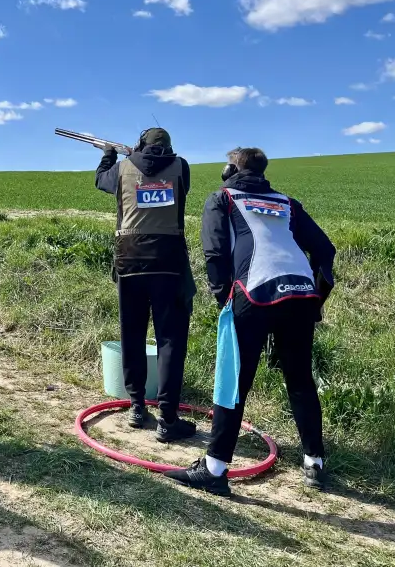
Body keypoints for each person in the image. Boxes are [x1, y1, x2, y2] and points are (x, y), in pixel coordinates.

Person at [167, 147, 336, 496]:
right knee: (300, 380)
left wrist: (223, 298)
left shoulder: (223, 198)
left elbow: (214, 252)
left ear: (229, 170)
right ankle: (315, 462)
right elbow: (325, 250)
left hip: (253, 292)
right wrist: (316, 296)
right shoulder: (287, 203)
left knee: (233, 381)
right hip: (301, 295)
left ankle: (214, 470)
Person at [95, 128, 198, 443]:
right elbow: (170, 179)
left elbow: (101, 180)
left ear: (140, 144)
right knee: (170, 340)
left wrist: (109, 155)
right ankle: (168, 418)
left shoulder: (122, 168)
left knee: (132, 334)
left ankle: (137, 406)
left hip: (130, 259)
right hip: (169, 262)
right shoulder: (181, 167)